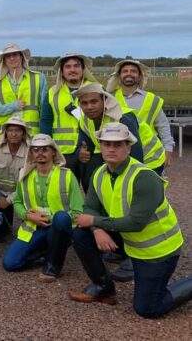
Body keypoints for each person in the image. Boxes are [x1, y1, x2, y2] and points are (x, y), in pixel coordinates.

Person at [70, 122, 192, 318]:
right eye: (106, 144)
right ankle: (104, 289)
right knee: (81, 234)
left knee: (147, 309)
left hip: (157, 250)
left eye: (118, 144)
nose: (111, 149)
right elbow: (90, 207)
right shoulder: (99, 173)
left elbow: (136, 223)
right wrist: (97, 229)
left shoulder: (144, 177)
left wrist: (95, 221)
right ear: (100, 146)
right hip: (128, 240)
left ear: (128, 147)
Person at [1, 135, 83, 282]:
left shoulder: (68, 176)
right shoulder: (25, 176)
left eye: (45, 149)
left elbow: (78, 212)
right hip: (33, 227)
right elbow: (17, 201)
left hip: (57, 227)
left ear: (53, 152)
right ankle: (44, 250)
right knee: (9, 263)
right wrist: (26, 215)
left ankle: (52, 266)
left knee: (61, 217)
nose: (40, 153)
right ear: (31, 153)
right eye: (36, 150)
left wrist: (49, 218)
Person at [74, 82, 160, 182]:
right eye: (84, 103)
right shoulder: (84, 121)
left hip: (150, 159)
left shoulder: (123, 117)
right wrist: (81, 153)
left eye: (94, 102)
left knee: (137, 189)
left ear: (105, 101)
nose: (89, 107)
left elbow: (135, 154)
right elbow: (85, 147)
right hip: (120, 157)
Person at [107, 59, 175, 169]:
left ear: (139, 76)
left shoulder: (152, 99)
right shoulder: (109, 98)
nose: (129, 73)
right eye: (125, 71)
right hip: (118, 154)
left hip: (149, 156)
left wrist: (168, 149)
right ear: (119, 76)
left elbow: (163, 125)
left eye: (133, 71)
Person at [39, 52, 97, 170]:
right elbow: (46, 121)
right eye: (68, 67)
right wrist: (47, 147)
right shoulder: (52, 93)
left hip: (91, 151)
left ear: (83, 69)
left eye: (76, 66)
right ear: (62, 71)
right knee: (63, 187)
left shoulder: (97, 89)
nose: (72, 70)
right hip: (62, 152)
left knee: (93, 186)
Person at [0, 115, 30, 238]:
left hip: (23, 193)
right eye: (10, 130)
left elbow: (27, 183)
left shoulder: (30, 152)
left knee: (28, 230)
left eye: (18, 131)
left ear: (23, 134)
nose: (14, 134)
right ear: (5, 133)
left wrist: (9, 200)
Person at [0, 43, 47, 137]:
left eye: (15, 55)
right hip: (5, 136)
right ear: (4, 61)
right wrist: (13, 106)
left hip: (31, 135)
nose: (12, 58)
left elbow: (45, 109)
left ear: (21, 57)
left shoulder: (39, 78)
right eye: (8, 56)